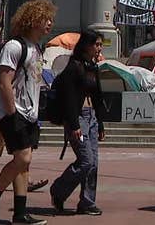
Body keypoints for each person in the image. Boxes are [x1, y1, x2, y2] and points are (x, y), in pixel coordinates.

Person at [0, 0, 55, 225]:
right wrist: (12, 113)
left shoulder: (37, 49)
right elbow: (5, 82)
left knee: (23, 164)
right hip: (13, 112)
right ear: (33, 20)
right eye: (46, 19)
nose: (50, 23)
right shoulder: (15, 47)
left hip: (30, 114)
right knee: (23, 158)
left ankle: (20, 213)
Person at [49, 30, 107, 216]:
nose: (99, 48)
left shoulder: (92, 67)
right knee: (86, 160)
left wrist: (101, 124)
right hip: (78, 118)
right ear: (87, 45)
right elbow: (68, 98)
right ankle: (58, 190)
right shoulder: (73, 67)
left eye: (100, 44)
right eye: (97, 44)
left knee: (94, 163)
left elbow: (97, 97)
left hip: (92, 118)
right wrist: (73, 124)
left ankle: (87, 202)